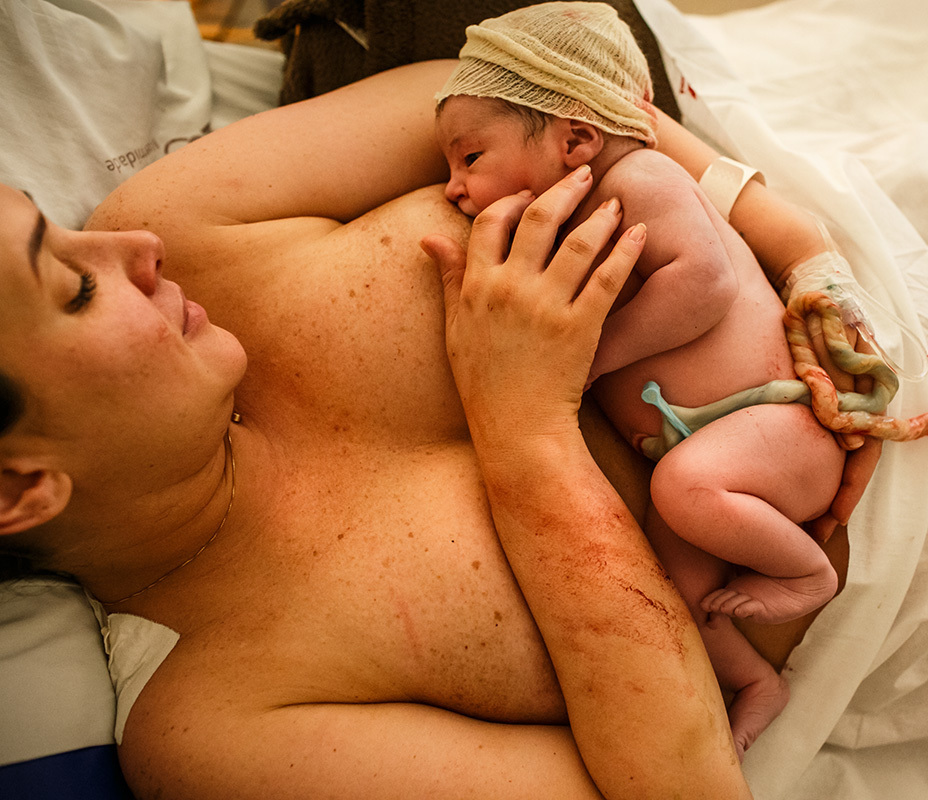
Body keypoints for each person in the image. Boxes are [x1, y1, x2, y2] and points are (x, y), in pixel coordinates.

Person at [0, 39, 878, 800]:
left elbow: (523, 94)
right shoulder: (223, 726)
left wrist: (800, 248)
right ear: (20, 487)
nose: (132, 249)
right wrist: (525, 428)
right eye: (73, 288)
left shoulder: (182, 222)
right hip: (907, 595)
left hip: (850, 249)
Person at [432, 2, 864, 754]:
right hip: (712, 447)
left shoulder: (643, 176)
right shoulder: (568, 219)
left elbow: (705, 284)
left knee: (681, 489)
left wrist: (589, 358)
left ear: (576, 140)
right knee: (673, 587)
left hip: (776, 422)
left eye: (470, 159)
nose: (452, 188)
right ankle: (754, 681)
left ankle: (808, 575)